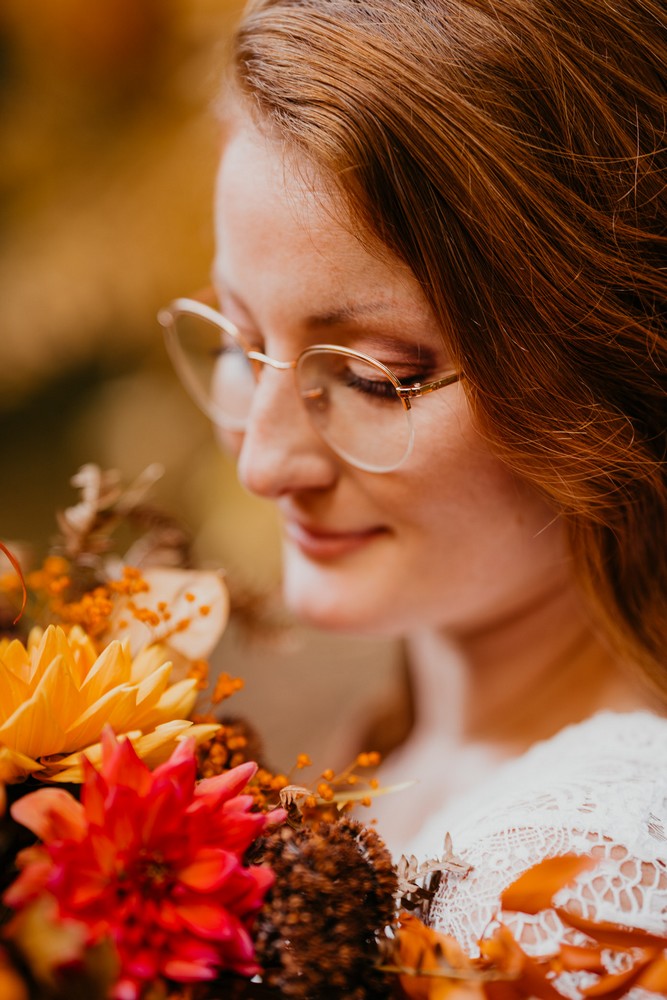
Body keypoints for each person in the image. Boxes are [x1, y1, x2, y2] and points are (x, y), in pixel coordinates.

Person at [158, 0, 667, 975]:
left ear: (613, 363)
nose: (265, 465)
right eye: (238, 341)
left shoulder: (588, 874)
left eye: (373, 375)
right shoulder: (377, 765)